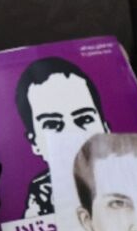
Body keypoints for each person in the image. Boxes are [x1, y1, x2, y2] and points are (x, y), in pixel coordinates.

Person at [15, 57, 107, 218]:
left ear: (106, 129)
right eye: (51, 125)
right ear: (34, 143)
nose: (71, 133)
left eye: (84, 119)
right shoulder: (43, 194)